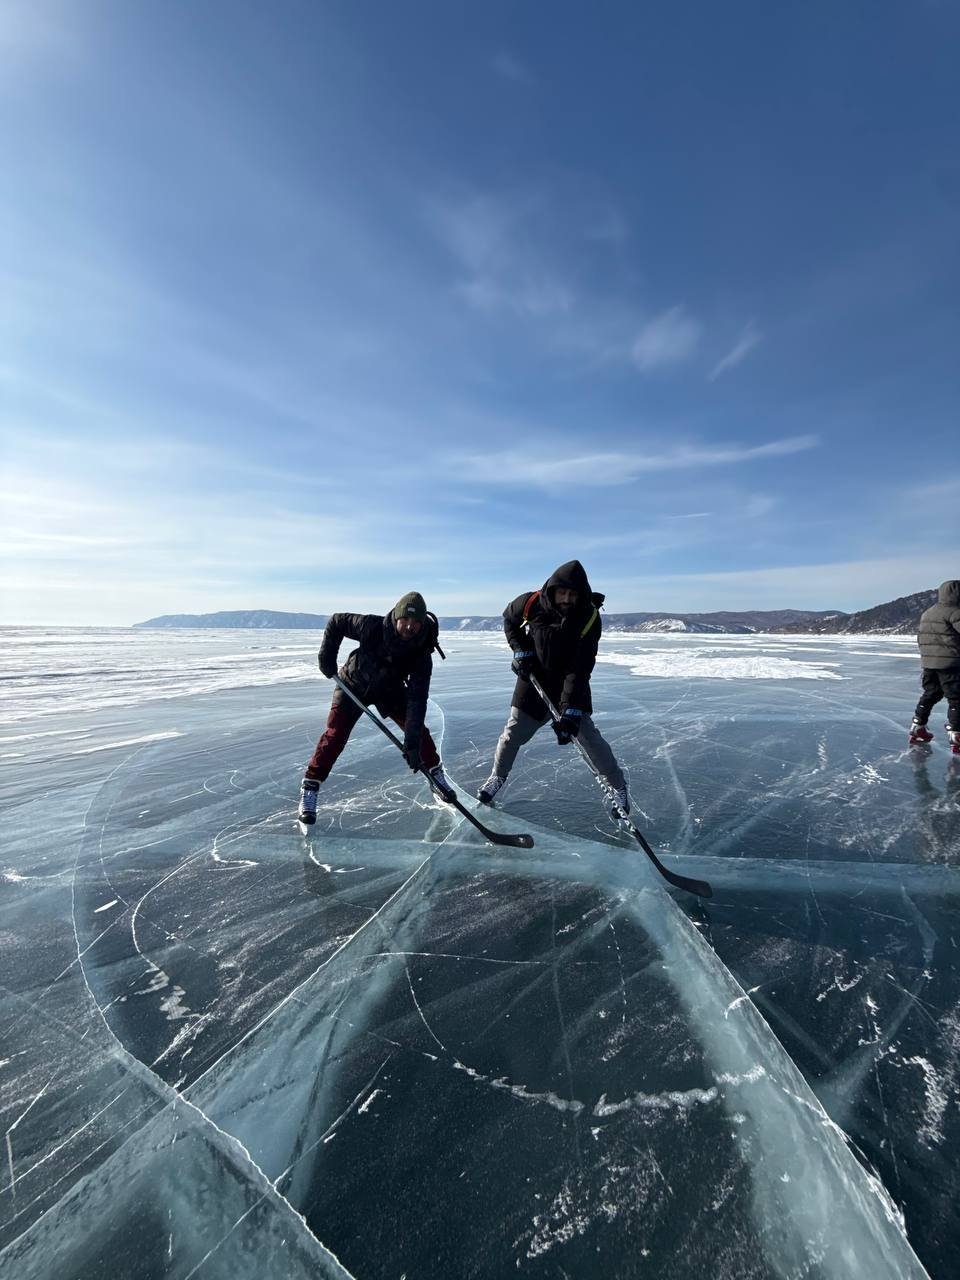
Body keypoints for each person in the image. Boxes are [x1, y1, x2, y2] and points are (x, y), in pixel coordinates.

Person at [477, 560, 630, 811]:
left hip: (570, 684)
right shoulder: (531, 602)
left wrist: (569, 710)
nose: (567, 599)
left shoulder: (589, 617)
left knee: (589, 739)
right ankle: (498, 776)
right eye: (563, 592)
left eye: (573, 594)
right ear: (553, 589)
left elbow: (580, 667)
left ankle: (618, 786)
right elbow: (509, 620)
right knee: (512, 733)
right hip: (533, 680)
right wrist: (520, 651)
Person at [298, 591, 456, 826]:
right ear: (396, 617)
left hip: (390, 690)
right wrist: (326, 657)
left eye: (416, 622)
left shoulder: (422, 652)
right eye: (406, 620)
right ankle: (311, 786)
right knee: (335, 735)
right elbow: (337, 621)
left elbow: (417, 699)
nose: (410, 627)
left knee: (419, 734)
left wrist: (411, 743)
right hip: (353, 684)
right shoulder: (372, 626)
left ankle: (435, 775)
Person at [909, 579, 960, 755]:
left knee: (931, 693)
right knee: (956, 698)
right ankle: (956, 735)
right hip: (950, 663)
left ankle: (918, 727)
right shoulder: (955, 612)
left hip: (929, 663)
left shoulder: (927, 613)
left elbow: (920, 638)